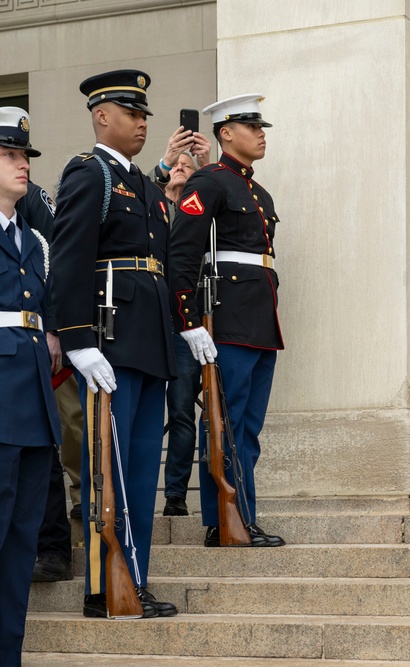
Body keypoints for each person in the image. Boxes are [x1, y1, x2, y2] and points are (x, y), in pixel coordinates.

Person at [50, 69, 178, 618]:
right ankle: (105, 587)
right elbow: (71, 258)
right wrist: (78, 340)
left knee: (143, 466)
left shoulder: (146, 187)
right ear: (103, 116)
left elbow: (162, 265)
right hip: (110, 344)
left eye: (146, 114)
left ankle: (136, 579)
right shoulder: (90, 174)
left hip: (150, 343)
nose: (143, 122)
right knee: (112, 467)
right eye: (132, 113)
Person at [169, 94, 285, 548]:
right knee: (223, 421)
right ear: (225, 134)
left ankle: (245, 517)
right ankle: (223, 519)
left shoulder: (261, 192)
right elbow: (182, 253)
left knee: (248, 428)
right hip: (228, 318)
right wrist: (189, 319)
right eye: (251, 127)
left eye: (262, 127)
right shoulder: (210, 182)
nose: (261, 134)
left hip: (261, 320)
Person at [0, 106, 61, 665]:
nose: (24, 165)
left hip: (35, 406)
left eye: (24, 156)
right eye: (12, 156)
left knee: (21, 546)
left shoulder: (35, 243)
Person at [16, 180, 75, 583]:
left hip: (30, 343)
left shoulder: (32, 201)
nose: (19, 163)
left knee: (43, 443)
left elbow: (56, 264)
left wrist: (54, 330)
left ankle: (54, 545)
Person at [151, 138, 210, 518]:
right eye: (177, 166)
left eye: (188, 168)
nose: (181, 170)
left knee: (183, 411)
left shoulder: (203, 213)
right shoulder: (151, 210)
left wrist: (204, 170)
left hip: (185, 326)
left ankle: (175, 495)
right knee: (145, 411)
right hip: (151, 326)